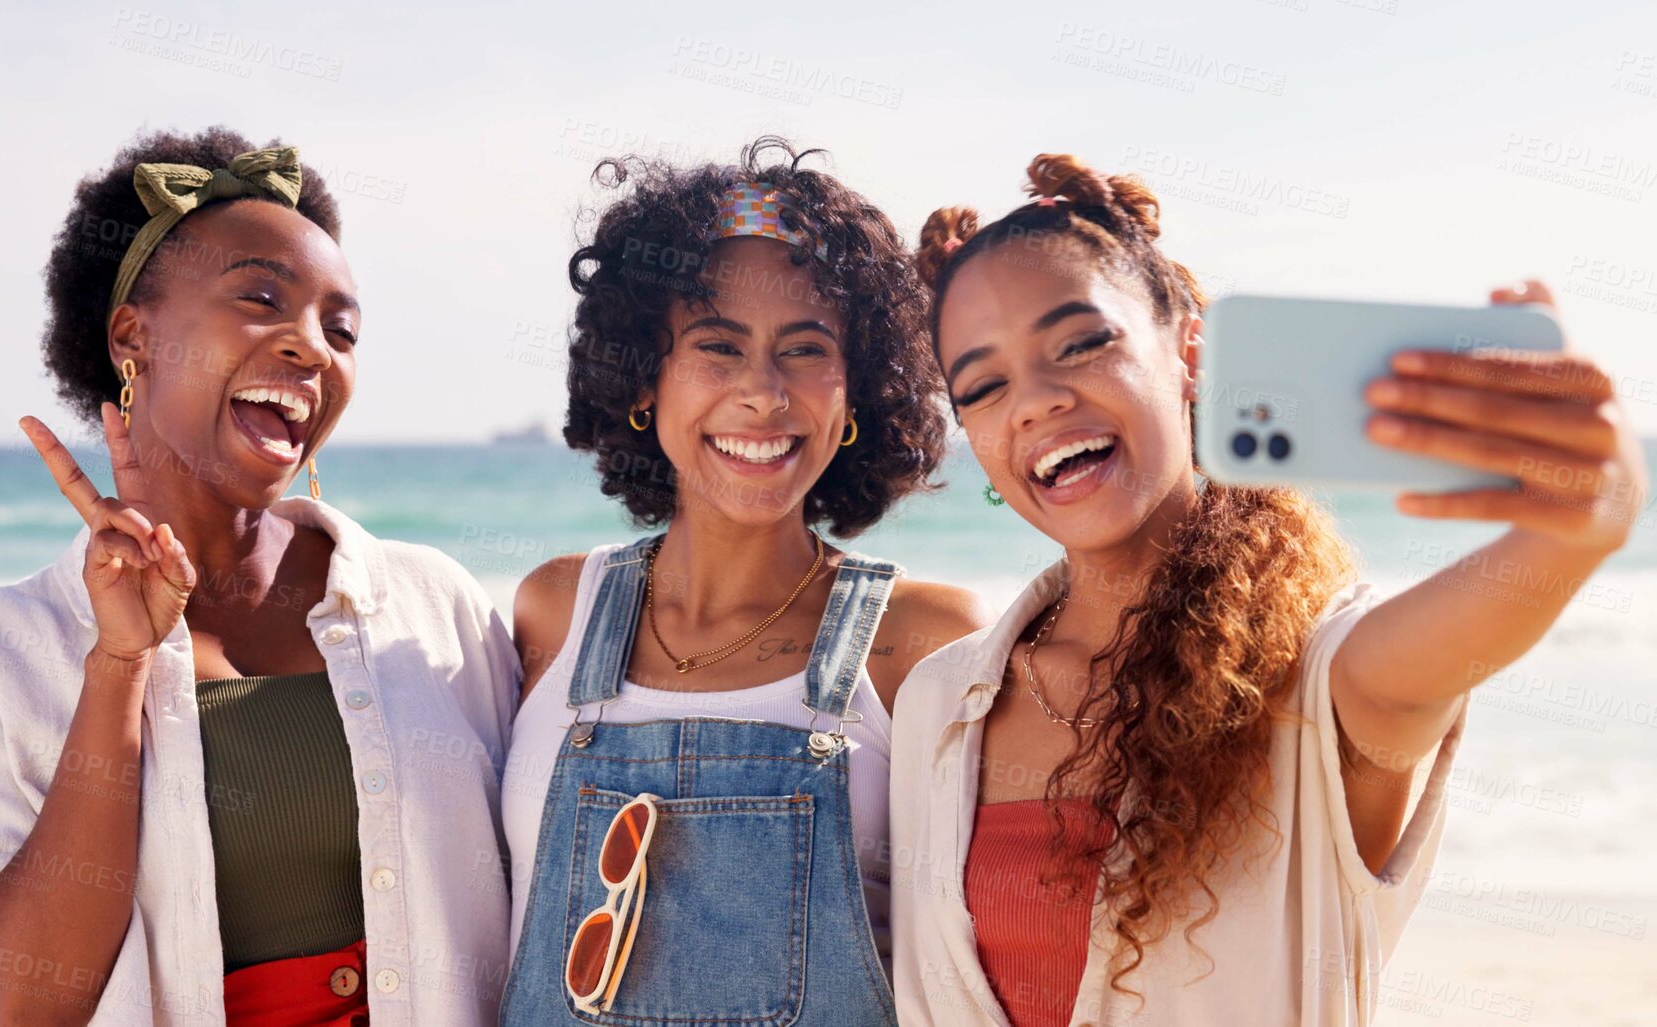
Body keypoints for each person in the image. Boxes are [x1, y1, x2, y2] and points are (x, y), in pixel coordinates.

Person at [888, 153, 1649, 1026]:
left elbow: (1426, 654)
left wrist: (1579, 527)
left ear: (1188, 351)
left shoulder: (1315, 671)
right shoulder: (938, 704)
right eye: (983, 387)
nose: (1034, 402)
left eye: (1083, 342)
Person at [0, 127, 520, 1026]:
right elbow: (27, 1001)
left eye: (340, 329)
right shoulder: (0, 653)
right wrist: (119, 664)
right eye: (261, 299)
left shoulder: (436, 608)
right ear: (132, 337)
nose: (312, 348)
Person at [498, 138, 991, 1027]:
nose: (762, 394)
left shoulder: (923, 639)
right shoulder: (551, 612)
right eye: (717, 347)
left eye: (803, 350)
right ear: (643, 381)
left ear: (857, 395)